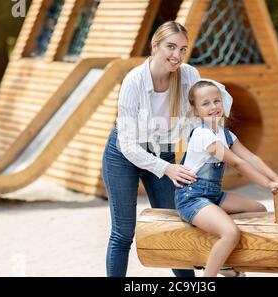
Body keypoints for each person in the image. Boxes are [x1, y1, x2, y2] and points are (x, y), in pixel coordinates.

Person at [102, 21, 201, 277]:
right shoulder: (133, 82)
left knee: (173, 228)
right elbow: (129, 146)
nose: (177, 55)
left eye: (182, 49)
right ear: (155, 46)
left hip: (163, 151)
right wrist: (167, 168)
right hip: (123, 155)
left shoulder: (189, 76)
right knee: (123, 232)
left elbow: (198, 122)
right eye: (171, 47)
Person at [175, 80, 278, 277]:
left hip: (213, 196)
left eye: (216, 101)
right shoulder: (202, 135)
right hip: (191, 199)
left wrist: (277, 177)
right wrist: (268, 184)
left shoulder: (226, 134)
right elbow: (237, 163)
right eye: (205, 104)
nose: (213, 107)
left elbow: (251, 158)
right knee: (230, 232)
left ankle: (227, 262)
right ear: (195, 110)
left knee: (258, 210)